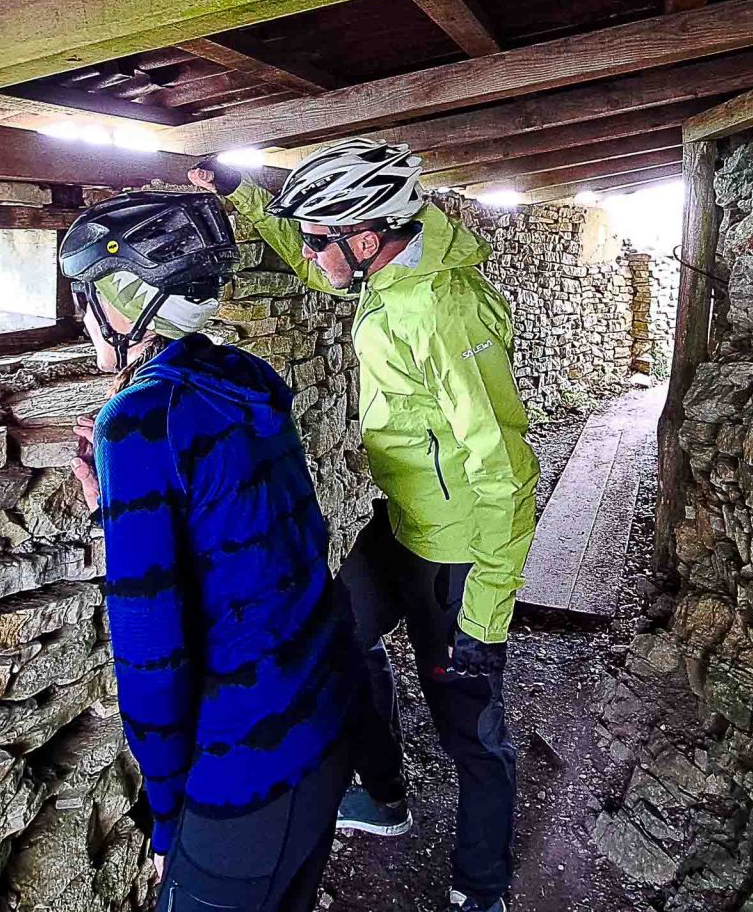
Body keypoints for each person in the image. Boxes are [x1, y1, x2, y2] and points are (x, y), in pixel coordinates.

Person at [191, 139, 540, 912]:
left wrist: (484, 620)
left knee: (472, 734)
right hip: (401, 524)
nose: (313, 254)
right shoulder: (383, 272)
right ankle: (385, 796)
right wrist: (247, 193)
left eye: (323, 239)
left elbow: (507, 474)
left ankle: (482, 886)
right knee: (336, 640)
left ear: (370, 233)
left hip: (457, 552)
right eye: (314, 237)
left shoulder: (441, 311)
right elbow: (312, 258)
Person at [60, 190, 358, 912]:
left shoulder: (138, 419)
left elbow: (150, 652)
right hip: (322, 714)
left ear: (128, 301)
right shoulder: (239, 380)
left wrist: (167, 821)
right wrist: (123, 516)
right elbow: (253, 543)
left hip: (247, 764)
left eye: (88, 294)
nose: (81, 313)